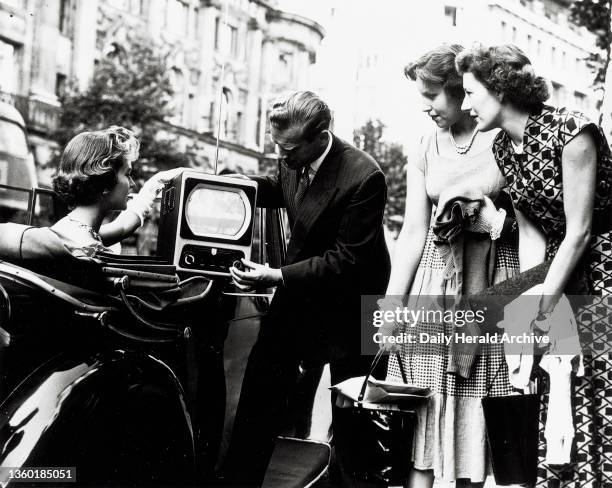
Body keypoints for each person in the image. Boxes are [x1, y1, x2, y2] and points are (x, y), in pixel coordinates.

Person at [457, 43, 612, 488]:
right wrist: (530, 305)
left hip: (601, 267)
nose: (466, 105)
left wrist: (541, 309)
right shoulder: (505, 148)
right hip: (558, 266)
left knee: (594, 385)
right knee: (552, 381)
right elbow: (532, 235)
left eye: (471, 93)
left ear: (501, 88)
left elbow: (580, 230)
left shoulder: (571, 132)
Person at [222, 90, 391, 485]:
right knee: (260, 391)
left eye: (289, 149)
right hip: (303, 291)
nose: (282, 156)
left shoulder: (364, 176)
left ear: (320, 136)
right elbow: (280, 186)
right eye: (277, 146)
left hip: (352, 304)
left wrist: (276, 275)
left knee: (353, 415)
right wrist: (228, 185)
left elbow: (348, 260)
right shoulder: (293, 155)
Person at [378, 44, 520, 488]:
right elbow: (412, 231)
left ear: (463, 90)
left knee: (477, 406)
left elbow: (533, 226)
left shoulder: (501, 135)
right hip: (435, 284)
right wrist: (392, 305)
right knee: (425, 405)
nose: (425, 106)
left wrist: (491, 218)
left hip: (493, 278)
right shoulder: (424, 144)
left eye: (432, 95)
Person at [51, 126, 184, 255]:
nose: (132, 184)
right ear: (105, 182)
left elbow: (123, 227)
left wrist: (153, 185)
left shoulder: (76, 230)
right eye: (127, 174)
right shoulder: (88, 247)